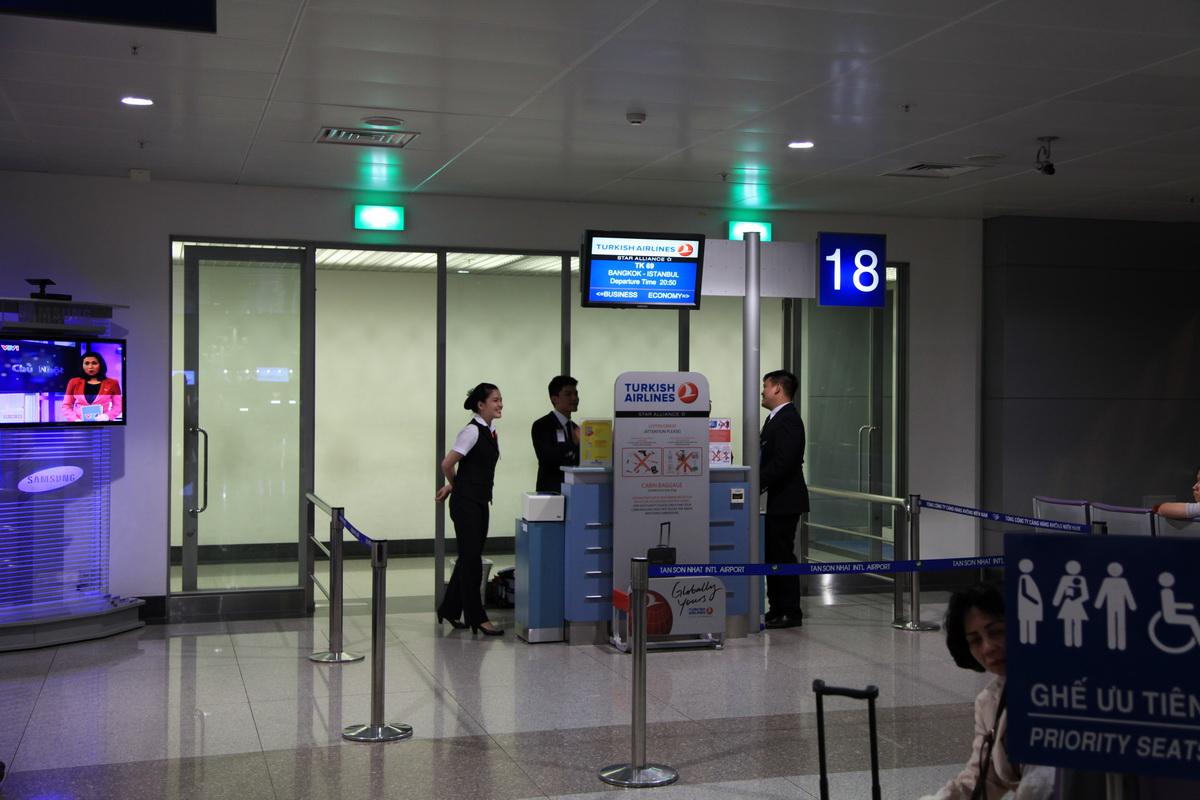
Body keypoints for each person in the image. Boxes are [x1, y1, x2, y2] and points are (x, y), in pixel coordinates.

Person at [920, 582, 1054, 800]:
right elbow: (982, 779)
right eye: (975, 641)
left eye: (997, 632)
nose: (988, 647)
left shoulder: (1064, 692)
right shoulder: (989, 702)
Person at [435, 382, 504, 636]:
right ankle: (478, 617)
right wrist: (455, 486)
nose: (500, 404)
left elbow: (471, 468)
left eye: (500, 399)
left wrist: (453, 486)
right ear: (480, 404)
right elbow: (447, 464)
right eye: (495, 400)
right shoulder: (472, 431)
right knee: (472, 560)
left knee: (469, 556)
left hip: (479, 500)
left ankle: (449, 608)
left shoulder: (490, 431)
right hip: (466, 504)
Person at [759, 369, 809, 629]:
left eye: (765, 386)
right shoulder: (774, 419)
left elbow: (784, 462)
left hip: (786, 499)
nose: (763, 391)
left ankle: (790, 610)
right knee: (772, 554)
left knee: (782, 555)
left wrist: (757, 481)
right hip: (775, 498)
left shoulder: (788, 419)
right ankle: (776, 607)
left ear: (778, 388)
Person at [531, 375, 579, 493]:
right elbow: (547, 458)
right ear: (555, 399)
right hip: (551, 492)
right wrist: (573, 444)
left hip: (575, 491)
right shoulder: (542, 425)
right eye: (568, 394)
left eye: (576, 393)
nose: (574, 398)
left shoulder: (576, 428)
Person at [60, 350, 122, 422]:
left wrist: (107, 416)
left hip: (103, 424)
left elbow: (118, 406)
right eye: (86, 363)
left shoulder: (113, 383)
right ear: (82, 365)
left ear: (101, 365)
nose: (90, 366)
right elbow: (66, 406)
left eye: (94, 363)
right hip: (79, 425)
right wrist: (75, 420)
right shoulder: (73, 382)